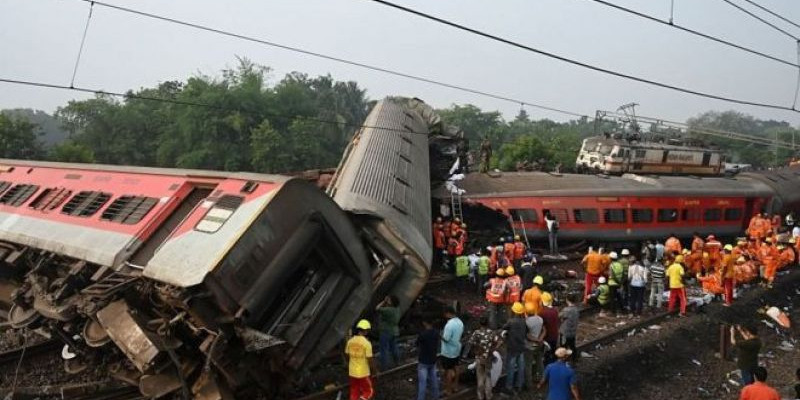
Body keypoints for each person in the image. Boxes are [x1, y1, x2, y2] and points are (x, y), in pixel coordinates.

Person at [468, 317, 501, 400]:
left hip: (479, 358)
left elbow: (470, 343)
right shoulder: (492, 333)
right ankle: (488, 395)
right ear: (487, 324)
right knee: (488, 376)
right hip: (489, 358)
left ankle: (480, 396)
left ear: (480, 324)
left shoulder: (477, 333)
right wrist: (493, 349)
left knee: (480, 377)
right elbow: (499, 342)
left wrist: (476, 350)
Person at [346, 319, 377, 400]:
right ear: (366, 331)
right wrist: (374, 371)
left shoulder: (350, 341)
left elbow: (347, 355)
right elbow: (370, 359)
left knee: (354, 391)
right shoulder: (366, 343)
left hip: (352, 372)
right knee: (368, 391)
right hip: (363, 372)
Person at [503, 302, 527, 395]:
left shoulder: (511, 321)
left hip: (512, 348)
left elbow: (504, 327)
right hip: (521, 347)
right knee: (521, 367)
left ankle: (509, 386)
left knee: (511, 368)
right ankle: (519, 385)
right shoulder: (524, 321)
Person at [440, 307, 464, 396]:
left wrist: (440, 335)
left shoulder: (449, 325)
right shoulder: (460, 322)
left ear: (448, 313)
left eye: (445, 314)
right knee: (456, 367)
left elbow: (446, 339)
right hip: (457, 348)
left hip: (448, 351)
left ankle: (448, 390)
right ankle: (456, 386)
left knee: (448, 370)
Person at [524, 302, 546, 390]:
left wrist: (536, 340)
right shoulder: (540, 319)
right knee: (539, 362)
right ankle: (542, 379)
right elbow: (544, 330)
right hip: (539, 345)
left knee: (528, 365)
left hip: (529, 346)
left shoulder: (526, 322)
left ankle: (529, 384)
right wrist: (540, 339)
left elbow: (527, 335)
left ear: (526, 312)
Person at [416, 318, 440, 400]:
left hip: (423, 361)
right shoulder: (436, 333)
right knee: (434, 381)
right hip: (433, 360)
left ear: (425, 323)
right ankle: (436, 397)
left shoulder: (423, 334)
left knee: (422, 383)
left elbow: (417, 344)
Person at [375, 295, 401, 370]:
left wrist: (384, 301)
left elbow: (377, 308)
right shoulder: (397, 309)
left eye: (389, 300)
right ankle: (397, 362)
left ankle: (384, 367)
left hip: (386, 331)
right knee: (394, 348)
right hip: (394, 331)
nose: (388, 301)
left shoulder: (388, 310)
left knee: (384, 349)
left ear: (392, 302)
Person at [539, 292, 560, 361]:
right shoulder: (555, 310)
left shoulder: (542, 312)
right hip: (555, 335)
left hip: (547, 336)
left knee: (546, 353)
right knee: (553, 351)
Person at [559, 293, 579, 358]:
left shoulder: (566, 310)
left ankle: (563, 359)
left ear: (567, 300)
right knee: (572, 345)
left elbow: (559, 316)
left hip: (565, 332)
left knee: (563, 346)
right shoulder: (576, 309)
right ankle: (574, 358)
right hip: (573, 331)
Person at [607, 252, 624, 316]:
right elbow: (622, 274)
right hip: (619, 284)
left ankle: (612, 311)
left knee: (612, 298)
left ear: (611, 258)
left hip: (612, 284)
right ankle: (622, 309)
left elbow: (611, 275)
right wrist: (620, 283)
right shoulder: (620, 265)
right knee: (619, 297)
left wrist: (617, 281)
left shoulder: (611, 265)